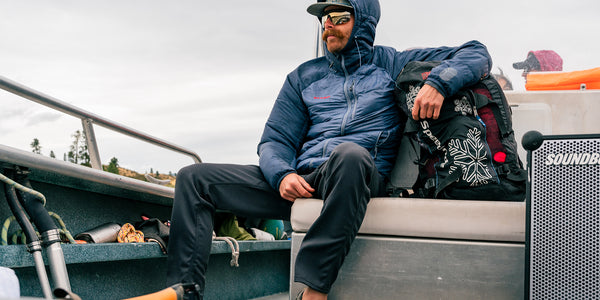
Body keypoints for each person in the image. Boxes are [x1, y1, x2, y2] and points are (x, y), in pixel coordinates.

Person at [166, 0, 492, 299]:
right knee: (195, 178)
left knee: (349, 154)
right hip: (303, 179)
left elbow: (476, 52)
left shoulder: (392, 64)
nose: (327, 25)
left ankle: (313, 289)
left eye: (338, 16)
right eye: (324, 18)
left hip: (356, 175)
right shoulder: (303, 77)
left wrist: (438, 83)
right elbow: (274, 141)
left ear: (362, 22)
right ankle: (186, 289)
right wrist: (282, 174)